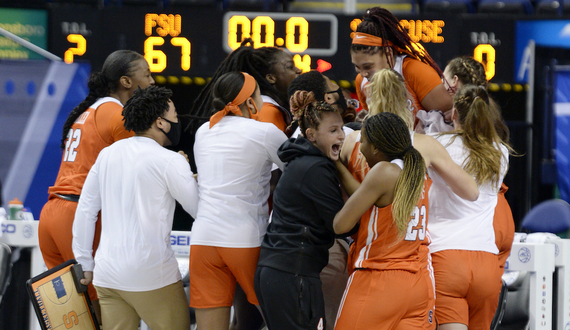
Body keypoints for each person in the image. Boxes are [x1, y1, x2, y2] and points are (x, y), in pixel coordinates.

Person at [339, 68, 479, 329]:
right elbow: (472, 191)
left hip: (376, 268)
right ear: (407, 99)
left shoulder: (353, 142)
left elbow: (345, 216)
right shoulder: (423, 148)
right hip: (418, 274)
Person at [38, 50, 154, 323]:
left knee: (70, 320)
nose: (152, 81)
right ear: (127, 82)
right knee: (103, 314)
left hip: (52, 215)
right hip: (78, 218)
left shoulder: (89, 111)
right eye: (146, 74)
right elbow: (142, 166)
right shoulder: (118, 113)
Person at [72, 86, 198, 330]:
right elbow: (198, 209)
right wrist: (191, 178)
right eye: (174, 114)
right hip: (153, 275)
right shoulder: (170, 160)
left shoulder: (107, 154)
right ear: (160, 122)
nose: (177, 120)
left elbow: (86, 209)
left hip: (108, 275)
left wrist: (85, 263)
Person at [190, 72, 287, 330]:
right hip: (244, 237)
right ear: (251, 100)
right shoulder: (265, 132)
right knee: (281, 320)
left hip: (203, 238)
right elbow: (298, 172)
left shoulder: (203, 131)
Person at [255, 90, 345, 330]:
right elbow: (343, 224)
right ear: (311, 135)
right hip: (293, 274)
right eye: (333, 130)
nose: (342, 136)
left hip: (278, 272)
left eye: (342, 128)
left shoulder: (301, 161)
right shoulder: (316, 168)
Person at [333, 112, 430, 329]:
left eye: (363, 141)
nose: (360, 147)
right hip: (416, 282)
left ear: (376, 147)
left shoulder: (383, 171)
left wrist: (333, 163)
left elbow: (341, 225)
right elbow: (371, 195)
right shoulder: (416, 170)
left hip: (379, 278)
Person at [428, 85, 511, 330]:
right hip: (486, 262)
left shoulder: (436, 143)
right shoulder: (501, 152)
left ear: (453, 114)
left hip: (445, 257)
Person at [442, 56, 515, 271]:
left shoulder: (442, 137)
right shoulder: (488, 112)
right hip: (496, 217)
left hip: (476, 220)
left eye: (442, 79)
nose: (439, 85)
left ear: (454, 82)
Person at [350, 7, 452, 127]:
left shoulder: (416, 71)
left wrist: (422, 135)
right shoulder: (361, 81)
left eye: (368, 66)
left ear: (388, 53)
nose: (363, 74)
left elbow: (451, 119)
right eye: (357, 67)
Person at [188, 39, 301, 136]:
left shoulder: (262, 108)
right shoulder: (268, 112)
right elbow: (276, 160)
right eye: (290, 66)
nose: (298, 70)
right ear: (271, 78)